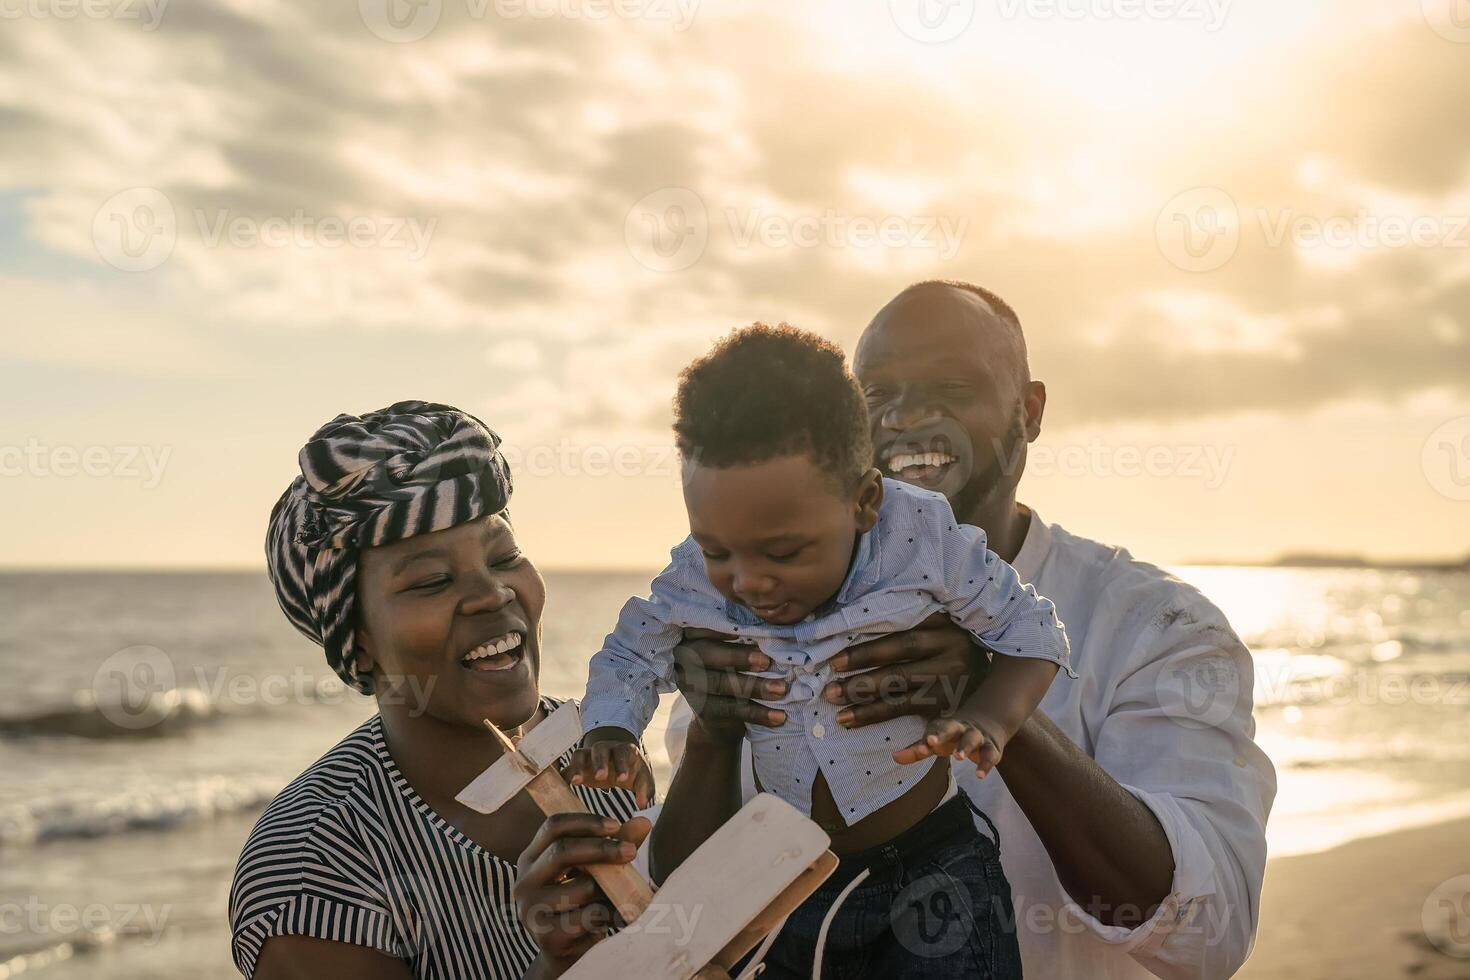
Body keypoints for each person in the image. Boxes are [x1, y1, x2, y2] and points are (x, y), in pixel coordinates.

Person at [664, 282, 1277, 979]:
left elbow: (1208, 937)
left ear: (1030, 411)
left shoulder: (1155, 627)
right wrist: (713, 742)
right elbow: (692, 925)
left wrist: (992, 703)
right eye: (875, 395)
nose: (907, 417)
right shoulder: (762, 607)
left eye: (952, 387)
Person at [568, 324, 1072, 977]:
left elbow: (1033, 632)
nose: (747, 582)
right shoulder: (697, 572)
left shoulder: (921, 538)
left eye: (783, 552)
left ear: (863, 501)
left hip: (933, 868)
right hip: (787, 873)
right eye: (718, 551)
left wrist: (989, 718)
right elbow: (630, 652)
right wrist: (612, 727)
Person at [228, 400, 727, 980]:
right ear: (357, 639)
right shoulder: (312, 868)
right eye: (432, 580)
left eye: (504, 556)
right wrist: (559, 967)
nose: (492, 593)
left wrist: (719, 737)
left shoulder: (596, 751)